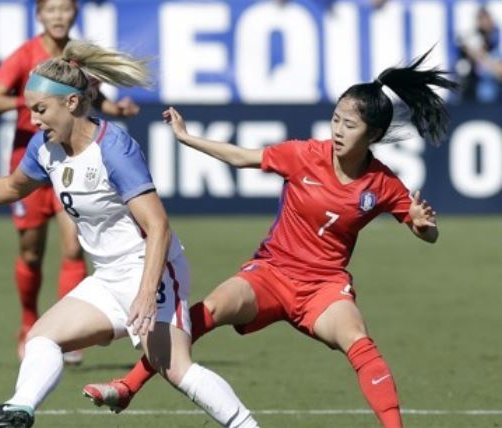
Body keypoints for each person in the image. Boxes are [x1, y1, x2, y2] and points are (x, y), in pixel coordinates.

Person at [82, 49, 458, 428]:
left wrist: (425, 227)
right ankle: (128, 386)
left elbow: (425, 231)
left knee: (358, 340)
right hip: (270, 274)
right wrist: (187, 137)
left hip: (322, 288)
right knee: (206, 311)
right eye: (336, 120)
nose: (338, 130)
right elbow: (241, 156)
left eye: (350, 125)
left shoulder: (383, 182)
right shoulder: (304, 155)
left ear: (373, 134)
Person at [0, 41, 259, 428]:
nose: (33, 120)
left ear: (71, 104)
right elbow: (12, 187)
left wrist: (144, 293)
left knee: (176, 369)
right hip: (108, 278)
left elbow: (158, 226)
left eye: (40, 110)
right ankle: (18, 412)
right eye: (30, 110)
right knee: (42, 337)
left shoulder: (114, 148)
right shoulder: (46, 147)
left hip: (153, 272)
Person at [0, 0, 139, 362]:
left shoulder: (76, 57)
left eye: (65, 9)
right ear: (39, 15)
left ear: (74, 14)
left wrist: (118, 109)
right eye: (50, 10)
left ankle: (68, 336)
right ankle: (27, 323)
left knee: (72, 248)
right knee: (31, 253)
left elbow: (93, 99)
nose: (58, 16)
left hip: (71, 161)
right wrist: (34, 101)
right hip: (32, 164)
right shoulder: (24, 56)